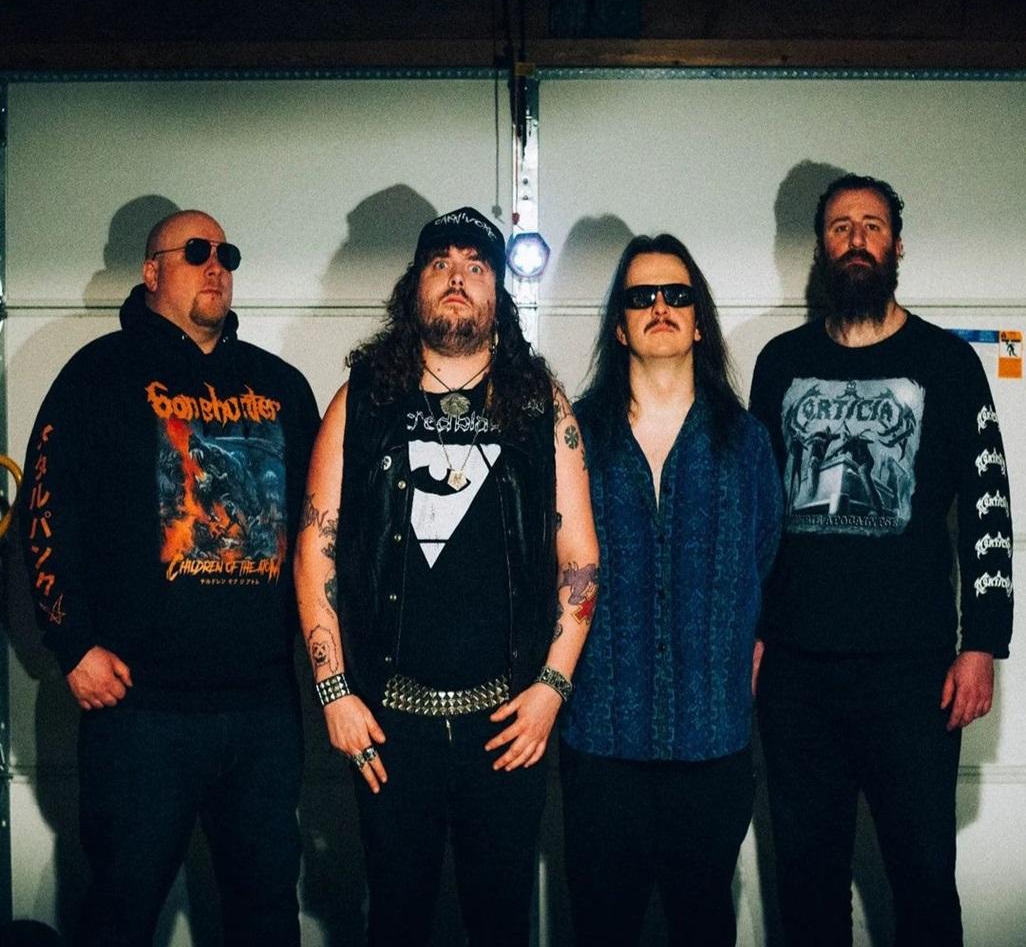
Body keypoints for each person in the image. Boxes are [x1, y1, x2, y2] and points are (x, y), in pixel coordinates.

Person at [294, 206, 599, 946]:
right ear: (415, 286)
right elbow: (314, 548)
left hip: (508, 721)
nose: (457, 277)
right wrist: (334, 691)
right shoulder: (363, 399)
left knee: (501, 924)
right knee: (396, 923)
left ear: (498, 291)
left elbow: (581, 559)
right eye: (441, 263)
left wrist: (551, 690)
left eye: (475, 265)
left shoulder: (540, 403)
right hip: (390, 722)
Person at [21, 210, 320, 946]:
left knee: (267, 914)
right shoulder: (98, 374)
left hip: (260, 709)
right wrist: (72, 645)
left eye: (226, 254)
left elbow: (323, 533)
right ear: (151, 271)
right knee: (120, 911)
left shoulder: (280, 386)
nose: (216, 264)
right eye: (195, 251)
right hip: (140, 713)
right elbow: (45, 514)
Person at [749, 175, 1013, 946]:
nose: (856, 239)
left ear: (897, 245)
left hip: (914, 673)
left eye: (871, 225)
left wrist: (982, 643)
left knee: (924, 878)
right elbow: (755, 511)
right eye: (840, 227)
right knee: (808, 884)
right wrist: (751, 628)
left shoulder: (947, 363)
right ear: (821, 248)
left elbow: (989, 506)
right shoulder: (780, 362)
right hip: (796, 672)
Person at [560, 234, 782, 946]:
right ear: (620, 327)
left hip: (711, 745)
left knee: (704, 926)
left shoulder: (746, 443)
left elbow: (767, 561)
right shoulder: (574, 439)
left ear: (699, 321)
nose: (660, 305)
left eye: (677, 294)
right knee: (602, 930)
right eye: (641, 296)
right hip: (600, 743)